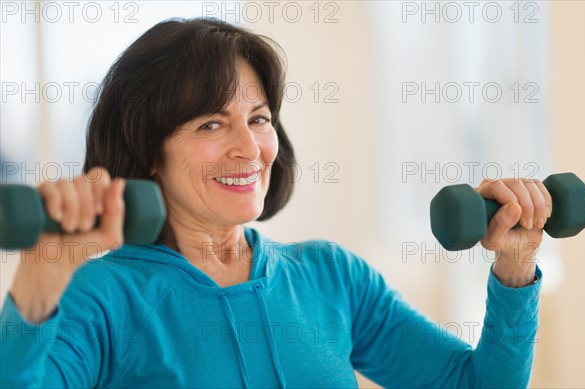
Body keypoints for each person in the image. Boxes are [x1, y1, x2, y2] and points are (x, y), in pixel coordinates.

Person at [1, 18, 546, 388]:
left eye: (258, 119)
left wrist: (516, 267)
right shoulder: (102, 298)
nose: (248, 148)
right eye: (212, 123)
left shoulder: (331, 275)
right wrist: (39, 278)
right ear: (149, 152)